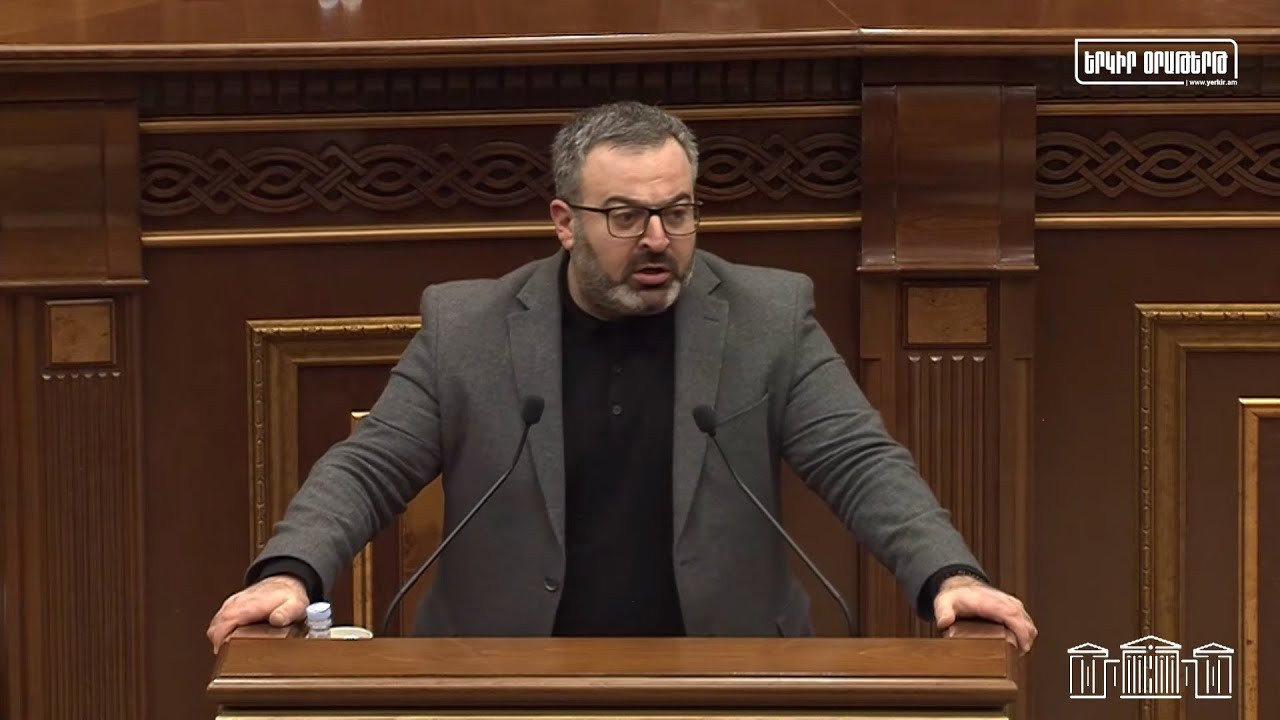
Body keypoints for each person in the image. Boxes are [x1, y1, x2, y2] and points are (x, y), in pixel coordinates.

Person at [207, 101, 1036, 654]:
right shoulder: (470, 327)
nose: (657, 239)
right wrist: (291, 571)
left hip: (722, 678)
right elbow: (371, 465)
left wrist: (947, 574)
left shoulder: (766, 317)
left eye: (677, 212)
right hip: (503, 681)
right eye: (626, 216)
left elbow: (859, 461)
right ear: (564, 222)